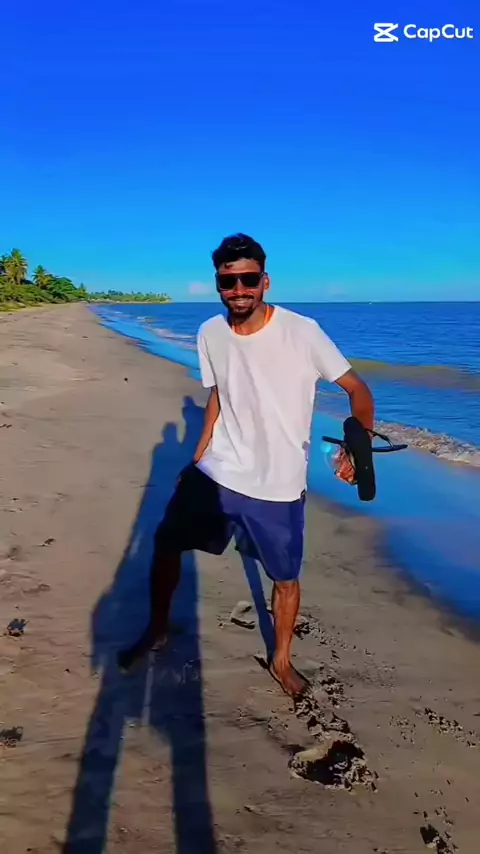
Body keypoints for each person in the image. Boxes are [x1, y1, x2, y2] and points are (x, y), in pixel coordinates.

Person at [119, 234, 374, 697]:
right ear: (218, 284)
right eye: (228, 281)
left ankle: (281, 660)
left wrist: (358, 447)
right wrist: (198, 455)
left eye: (248, 279)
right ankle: (157, 628)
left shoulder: (303, 332)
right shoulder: (209, 333)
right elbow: (220, 393)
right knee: (166, 543)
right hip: (219, 470)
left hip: (278, 483)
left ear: (265, 281)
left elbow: (358, 390)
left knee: (285, 578)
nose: (239, 290)